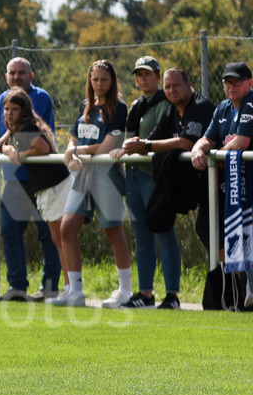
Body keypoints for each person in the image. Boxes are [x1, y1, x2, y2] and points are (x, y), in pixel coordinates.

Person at [116, 67, 212, 310]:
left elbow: (185, 142)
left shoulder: (200, 106)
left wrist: (145, 145)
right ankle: (147, 294)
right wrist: (135, 144)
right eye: (168, 87)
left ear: (189, 84)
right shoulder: (171, 110)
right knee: (145, 232)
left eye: (175, 86)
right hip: (190, 181)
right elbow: (156, 138)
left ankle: (174, 295)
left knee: (173, 231)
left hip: (215, 183)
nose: (171, 91)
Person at [0, 58, 63, 301]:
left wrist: (14, 151)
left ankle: (50, 287)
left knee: (47, 232)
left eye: (21, 73)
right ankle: (17, 287)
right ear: (6, 77)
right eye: (12, 73)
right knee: (8, 229)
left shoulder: (39, 97)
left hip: (40, 178)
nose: (17, 77)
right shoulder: (2, 99)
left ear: (31, 75)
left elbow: (36, 140)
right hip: (14, 179)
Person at [51, 59, 131, 308]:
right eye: (95, 79)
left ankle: (125, 291)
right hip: (83, 175)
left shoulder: (118, 107)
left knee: (112, 230)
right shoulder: (85, 105)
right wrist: (70, 153)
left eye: (103, 80)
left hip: (106, 174)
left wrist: (76, 151)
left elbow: (108, 146)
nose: (98, 84)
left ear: (112, 81)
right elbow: (72, 138)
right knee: (67, 228)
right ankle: (75, 291)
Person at [108, 57, 176, 309]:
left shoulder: (164, 103)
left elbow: (157, 137)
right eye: (138, 74)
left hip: (153, 176)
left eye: (147, 74)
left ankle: (172, 295)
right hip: (134, 176)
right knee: (142, 236)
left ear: (158, 75)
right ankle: (146, 294)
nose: (142, 79)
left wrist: (132, 147)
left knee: (163, 233)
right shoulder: (138, 105)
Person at [0, 88, 71, 300]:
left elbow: (43, 147)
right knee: (58, 237)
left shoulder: (27, 125)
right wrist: (9, 151)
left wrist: (19, 154)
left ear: (24, 110)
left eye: (14, 109)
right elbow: (2, 145)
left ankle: (70, 287)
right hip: (46, 185)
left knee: (60, 238)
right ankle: (69, 287)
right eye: (7, 109)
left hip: (55, 183)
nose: (9, 113)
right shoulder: (16, 128)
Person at [190, 62, 253, 305]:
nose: (231, 86)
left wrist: (216, 155)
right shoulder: (224, 108)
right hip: (233, 188)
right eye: (227, 82)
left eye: (237, 81)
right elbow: (207, 137)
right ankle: (236, 283)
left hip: (246, 186)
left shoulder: (250, 103)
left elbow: (242, 142)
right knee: (206, 224)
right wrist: (198, 149)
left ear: (249, 83)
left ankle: (244, 284)